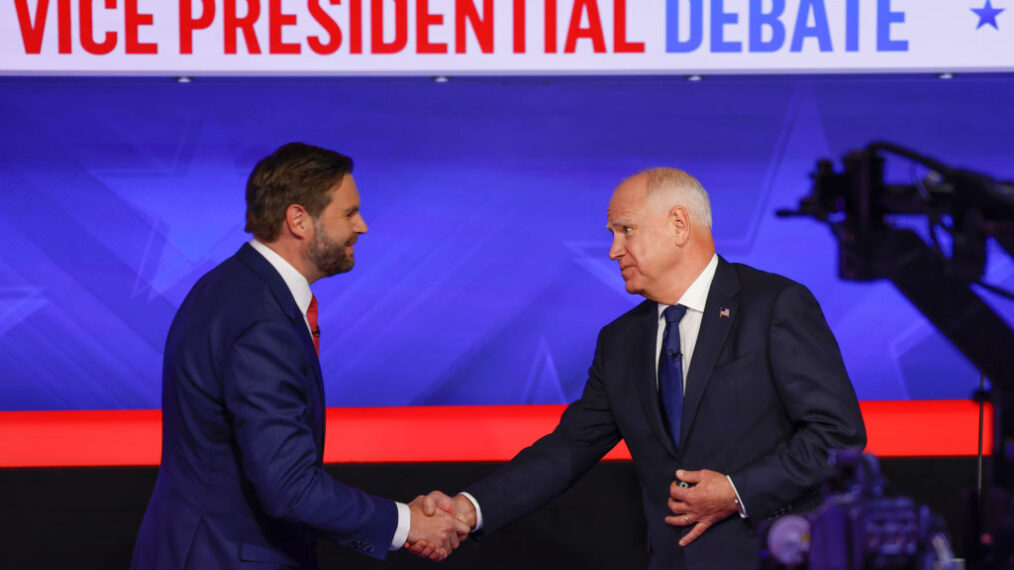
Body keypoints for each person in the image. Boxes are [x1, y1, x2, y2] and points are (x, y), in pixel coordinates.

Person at [415, 168, 867, 569]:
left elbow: (837, 435)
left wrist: (737, 490)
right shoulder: (620, 341)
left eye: (625, 230)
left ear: (678, 225)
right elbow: (569, 448)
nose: (613, 250)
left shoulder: (773, 306)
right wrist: (469, 509)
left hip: (770, 557)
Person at [131, 142, 467, 569]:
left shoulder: (229, 286)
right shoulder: (261, 320)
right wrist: (409, 525)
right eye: (349, 213)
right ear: (299, 220)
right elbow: (288, 487)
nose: (362, 226)